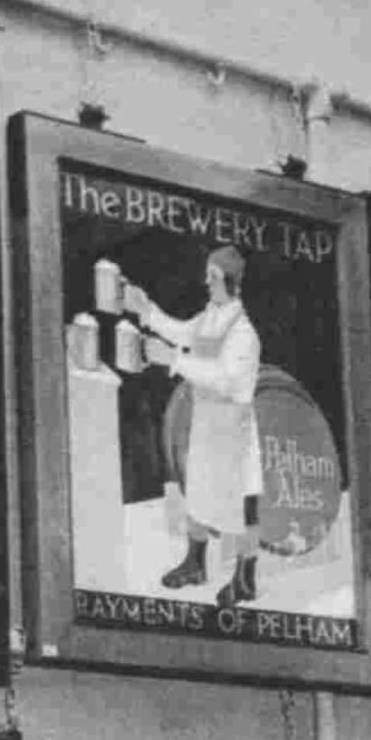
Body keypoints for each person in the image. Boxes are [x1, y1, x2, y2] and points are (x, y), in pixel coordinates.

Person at [124, 246, 264, 606]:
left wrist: (174, 361)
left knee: (241, 507)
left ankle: (245, 578)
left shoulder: (244, 333)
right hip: (207, 425)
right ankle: (195, 565)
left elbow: (227, 380)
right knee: (198, 493)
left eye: (213, 276)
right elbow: (182, 332)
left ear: (230, 281)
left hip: (233, 431)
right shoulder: (210, 317)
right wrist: (147, 311)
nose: (206, 281)